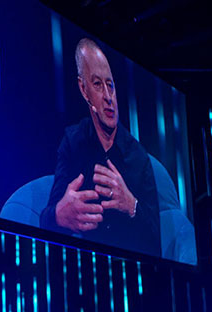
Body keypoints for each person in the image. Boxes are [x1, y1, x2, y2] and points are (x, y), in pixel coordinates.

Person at [40, 38, 160, 257]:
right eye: (97, 85)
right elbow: (46, 221)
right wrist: (58, 215)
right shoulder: (73, 142)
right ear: (84, 89)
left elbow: (156, 244)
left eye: (110, 85)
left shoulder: (138, 157)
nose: (108, 97)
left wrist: (132, 206)